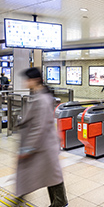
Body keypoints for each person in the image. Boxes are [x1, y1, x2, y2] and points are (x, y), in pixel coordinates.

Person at [16, 67, 68, 207]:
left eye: (28, 80)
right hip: (44, 146)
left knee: (50, 175)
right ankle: (59, 202)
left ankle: (60, 202)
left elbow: (40, 126)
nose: (25, 83)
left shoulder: (42, 99)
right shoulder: (41, 96)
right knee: (50, 175)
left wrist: (28, 148)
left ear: (35, 80)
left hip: (42, 146)